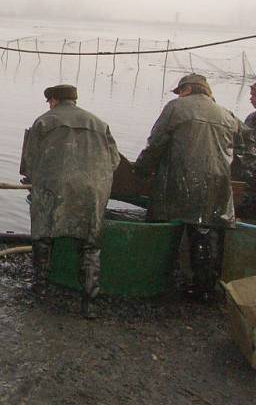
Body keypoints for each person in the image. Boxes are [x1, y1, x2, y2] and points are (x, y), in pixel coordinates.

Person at [135, 73, 245, 302]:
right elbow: (244, 144)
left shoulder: (176, 107)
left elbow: (156, 142)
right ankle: (205, 288)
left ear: (187, 90)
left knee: (162, 225)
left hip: (180, 179)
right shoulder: (226, 113)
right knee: (206, 231)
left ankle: (155, 277)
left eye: (180, 91)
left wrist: (142, 169)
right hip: (217, 184)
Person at [22, 84, 120, 319]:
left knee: (43, 234)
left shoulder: (44, 121)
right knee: (90, 243)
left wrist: (36, 179)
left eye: (49, 101)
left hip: (53, 187)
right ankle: (89, 303)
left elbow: (29, 162)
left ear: (54, 100)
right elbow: (114, 161)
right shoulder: (99, 123)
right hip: (92, 189)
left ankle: (39, 288)